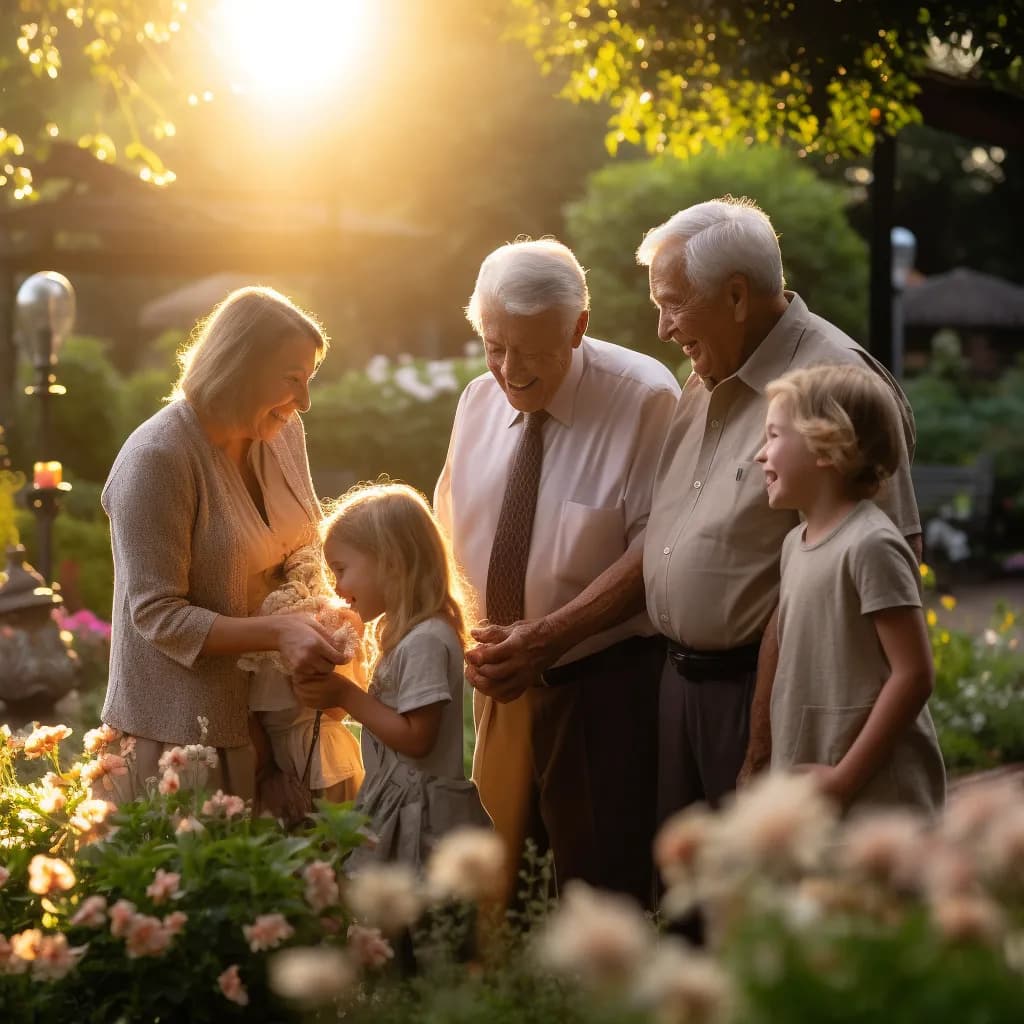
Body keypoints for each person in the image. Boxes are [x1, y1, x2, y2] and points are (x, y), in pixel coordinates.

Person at [638, 197, 922, 824]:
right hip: (680, 687)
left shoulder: (836, 382)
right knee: (689, 882)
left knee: (755, 882)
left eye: (672, 303)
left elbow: (893, 567)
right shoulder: (706, 372)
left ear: (736, 296)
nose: (662, 329)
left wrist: (764, 737)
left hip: (764, 697)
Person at [435, 238, 681, 906]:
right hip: (501, 691)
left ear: (578, 327)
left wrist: (546, 637)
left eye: (533, 351)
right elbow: (448, 530)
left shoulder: (646, 398)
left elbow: (659, 548)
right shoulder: (476, 402)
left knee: (598, 903)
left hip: (604, 693)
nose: (510, 372)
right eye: (495, 346)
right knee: (496, 905)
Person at [101, 286, 350, 802]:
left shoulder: (283, 432)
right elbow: (157, 616)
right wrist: (280, 630)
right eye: (293, 379)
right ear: (240, 367)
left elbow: (305, 540)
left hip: (283, 716)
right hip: (187, 735)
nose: (304, 401)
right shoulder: (157, 458)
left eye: (309, 381)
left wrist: (318, 607)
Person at [756, 364, 945, 814]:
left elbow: (914, 675)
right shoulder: (794, 544)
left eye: (774, 436)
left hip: (878, 802)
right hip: (820, 794)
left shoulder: (871, 544)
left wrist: (843, 779)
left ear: (828, 446)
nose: (761, 455)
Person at [293, 482, 490, 869]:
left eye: (341, 570)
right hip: (401, 805)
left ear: (392, 562)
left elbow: (417, 738)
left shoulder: (426, 640)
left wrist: (345, 694)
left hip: (419, 820)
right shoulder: (410, 636)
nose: (337, 587)